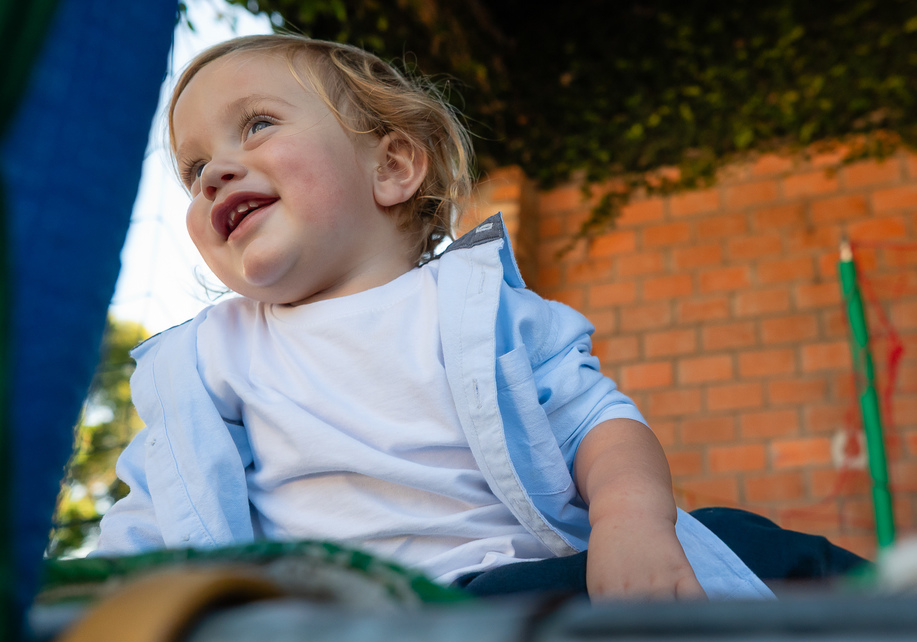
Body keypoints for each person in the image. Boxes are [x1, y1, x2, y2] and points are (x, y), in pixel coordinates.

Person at [95, 34, 866, 600]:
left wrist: (633, 521)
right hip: (346, 620)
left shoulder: (476, 307)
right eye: (194, 168)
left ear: (392, 167)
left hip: (528, 579)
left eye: (257, 124)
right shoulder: (205, 361)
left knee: (753, 545)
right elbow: (151, 517)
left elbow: (597, 422)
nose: (215, 171)